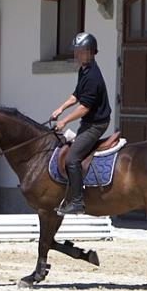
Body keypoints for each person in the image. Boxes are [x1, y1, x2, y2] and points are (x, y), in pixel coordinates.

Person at [50, 32, 111, 215]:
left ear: (91, 51)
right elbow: (76, 95)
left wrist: (64, 121)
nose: (77, 54)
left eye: (80, 51)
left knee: (72, 159)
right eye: (76, 51)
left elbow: (84, 107)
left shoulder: (93, 76)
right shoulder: (84, 69)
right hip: (88, 122)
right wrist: (61, 108)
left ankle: (77, 202)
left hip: (96, 124)